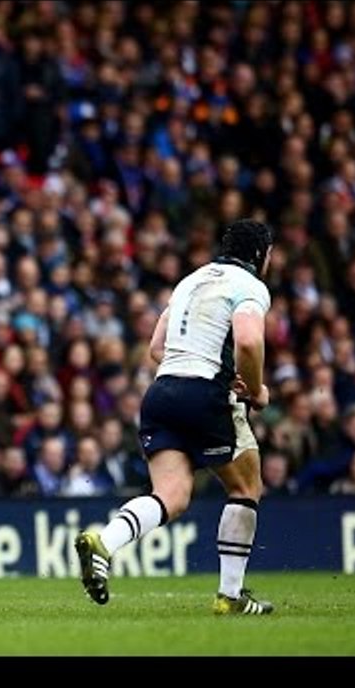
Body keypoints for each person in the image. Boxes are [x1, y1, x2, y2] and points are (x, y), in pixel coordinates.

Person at [75, 219, 275, 615]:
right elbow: (249, 341)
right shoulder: (250, 286)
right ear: (261, 255)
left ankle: (104, 543)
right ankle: (230, 596)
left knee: (170, 496)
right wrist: (254, 389)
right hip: (204, 394)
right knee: (246, 487)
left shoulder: (191, 280)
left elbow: (155, 348)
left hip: (161, 394)